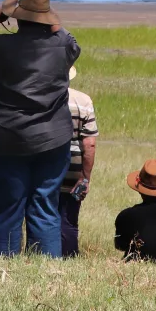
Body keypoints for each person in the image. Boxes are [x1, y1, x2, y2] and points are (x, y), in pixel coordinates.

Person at [0, 0, 80, 257]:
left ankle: (3, 265)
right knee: (45, 205)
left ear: (17, 17)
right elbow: (70, 41)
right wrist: (52, 19)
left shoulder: (2, 47)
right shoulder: (63, 48)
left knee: (7, 206)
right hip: (53, 138)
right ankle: (46, 265)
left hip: (7, 138)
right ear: (47, 17)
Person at [59, 66, 98, 257]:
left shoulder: (38, 95)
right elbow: (89, 144)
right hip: (74, 167)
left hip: (42, 163)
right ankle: (68, 257)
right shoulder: (83, 100)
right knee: (69, 217)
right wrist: (85, 177)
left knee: (42, 215)